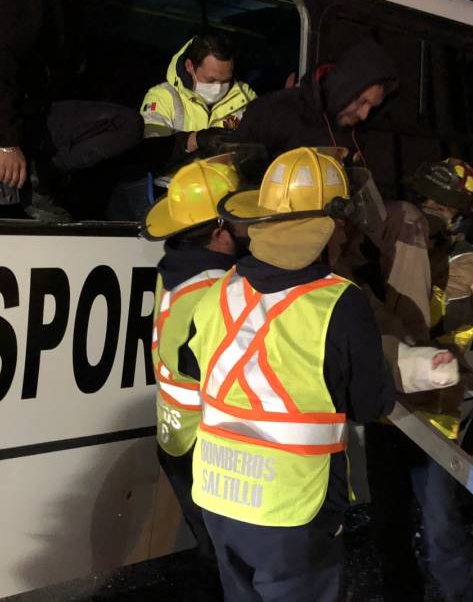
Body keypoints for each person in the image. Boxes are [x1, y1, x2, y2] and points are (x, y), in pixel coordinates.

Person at [178, 147, 395, 601]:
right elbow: (370, 406)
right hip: (292, 508)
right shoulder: (339, 302)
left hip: (218, 496)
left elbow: (189, 365)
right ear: (331, 226)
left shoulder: (220, 290)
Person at [365, 158, 473, 602]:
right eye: (427, 202)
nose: (429, 213)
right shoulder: (394, 248)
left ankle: (460, 595)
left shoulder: (465, 262)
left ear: (457, 215)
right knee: (388, 523)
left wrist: (404, 287)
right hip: (387, 412)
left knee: (440, 524)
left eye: (441, 206)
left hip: (433, 415)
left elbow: (447, 331)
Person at [0, 0, 143, 222]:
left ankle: (42, 173)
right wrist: (6, 143)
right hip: (13, 119)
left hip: (39, 113)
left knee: (127, 125)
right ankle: (37, 177)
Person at [142, 155, 249, 602]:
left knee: (213, 554)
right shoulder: (218, 288)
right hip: (204, 443)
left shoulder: (178, 267)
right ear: (221, 230)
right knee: (231, 563)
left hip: (175, 435)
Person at [228, 39, 398, 162]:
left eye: (372, 107)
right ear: (345, 87)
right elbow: (235, 169)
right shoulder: (273, 110)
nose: (364, 114)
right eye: (362, 101)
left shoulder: (357, 131)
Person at [141, 32, 258, 154]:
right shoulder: (162, 98)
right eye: (211, 80)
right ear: (189, 66)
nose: (218, 88)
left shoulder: (245, 96)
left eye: (225, 80)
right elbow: (151, 149)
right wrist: (195, 140)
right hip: (180, 173)